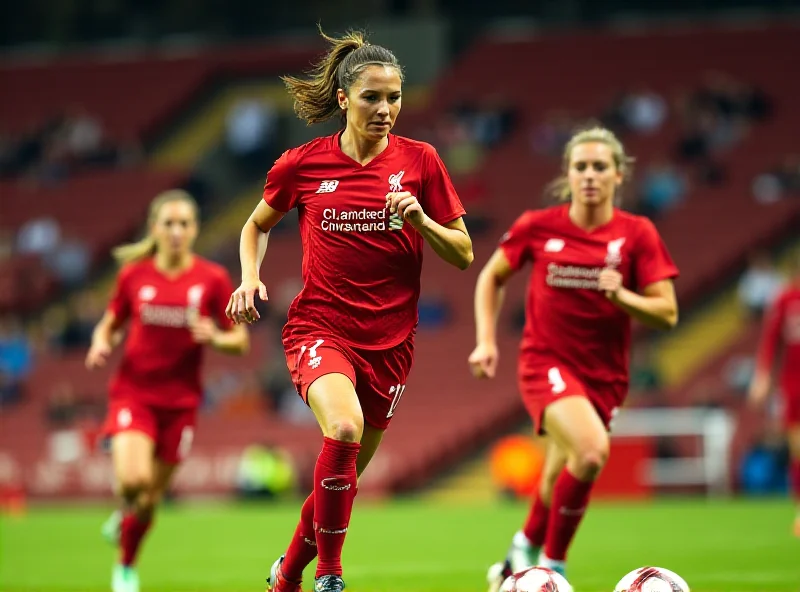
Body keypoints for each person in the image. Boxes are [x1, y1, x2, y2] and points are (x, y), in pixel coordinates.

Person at [225, 27, 473, 592]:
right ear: (343, 98)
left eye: (394, 97)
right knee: (343, 427)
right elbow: (254, 225)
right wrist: (249, 278)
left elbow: (462, 253)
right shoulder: (303, 165)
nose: (385, 109)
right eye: (372, 97)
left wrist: (420, 220)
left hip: (390, 344)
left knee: (340, 480)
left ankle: (286, 574)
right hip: (320, 328)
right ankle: (330, 576)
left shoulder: (422, 162)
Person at [468, 126, 679, 586]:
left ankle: (518, 554)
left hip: (605, 376)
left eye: (600, 166)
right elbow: (491, 278)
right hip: (546, 363)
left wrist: (623, 297)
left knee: (557, 473)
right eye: (580, 166)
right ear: (567, 173)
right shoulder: (537, 225)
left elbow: (667, 312)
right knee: (589, 452)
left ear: (618, 175)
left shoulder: (637, 234)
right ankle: (555, 568)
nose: (589, 175)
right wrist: (486, 340)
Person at [85, 189, 249, 592]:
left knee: (149, 499)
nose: (176, 231)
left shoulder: (212, 279)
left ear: (195, 230)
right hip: (134, 394)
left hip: (181, 404)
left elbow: (240, 341)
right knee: (134, 482)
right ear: (154, 228)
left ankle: (125, 560)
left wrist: (214, 336)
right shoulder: (133, 276)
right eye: (168, 223)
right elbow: (111, 320)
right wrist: (100, 340)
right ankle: (125, 560)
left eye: (184, 224)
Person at [749, 252, 800, 537]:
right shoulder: (785, 299)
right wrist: (762, 376)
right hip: (794, 384)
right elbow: (771, 341)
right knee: (798, 449)